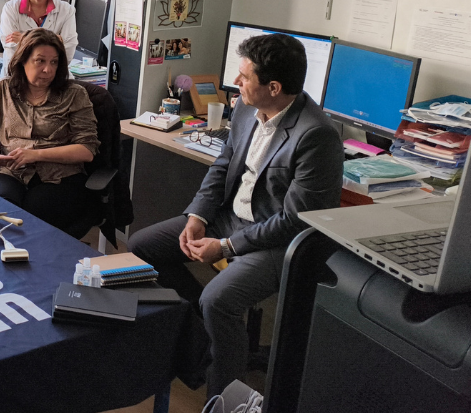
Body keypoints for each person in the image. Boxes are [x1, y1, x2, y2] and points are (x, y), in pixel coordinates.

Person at [127, 33, 344, 397]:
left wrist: (226, 246)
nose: (237, 82)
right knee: (140, 248)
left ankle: (222, 397)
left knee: (219, 300)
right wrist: (197, 216)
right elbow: (222, 167)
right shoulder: (245, 109)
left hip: (277, 240)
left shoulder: (317, 136)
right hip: (227, 218)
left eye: (244, 76)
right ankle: (201, 344)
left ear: (273, 87)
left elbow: (296, 220)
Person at [0, 29, 99, 235]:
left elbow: (87, 149)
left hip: (59, 177)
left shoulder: (74, 94)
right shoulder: (4, 89)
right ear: (23, 61)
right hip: (12, 172)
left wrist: (35, 155)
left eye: (54, 62)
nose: (47, 70)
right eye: (39, 61)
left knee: (32, 221)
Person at [0, 0, 77, 77]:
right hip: (18, 79)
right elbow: (13, 54)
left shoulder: (67, 10)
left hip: (56, 81)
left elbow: (67, 54)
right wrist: (55, 41)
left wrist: (24, 38)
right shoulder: (10, 9)